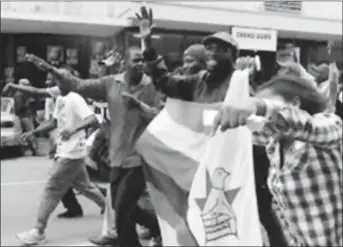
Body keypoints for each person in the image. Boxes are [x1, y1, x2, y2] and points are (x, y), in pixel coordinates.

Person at [26, 48, 162, 247]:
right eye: (136, 60)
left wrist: (139, 106)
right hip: (116, 157)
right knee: (120, 205)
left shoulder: (150, 86)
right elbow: (79, 84)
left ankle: (129, 242)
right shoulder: (110, 83)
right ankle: (158, 227)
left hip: (139, 157)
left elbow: (158, 115)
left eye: (142, 60)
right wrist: (52, 70)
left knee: (123, 205)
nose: (140, 64)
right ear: (125, 63)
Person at [212, 60, 342, 246]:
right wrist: (237, 80)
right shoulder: (273, 143)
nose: (262, 116)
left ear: (295, 103)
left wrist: (260, 106)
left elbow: (305, 126)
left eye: (268, 106)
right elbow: (243, 129)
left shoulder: (329, 125)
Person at [2, 68, 85, 219]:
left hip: (73, 142)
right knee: (80, 182)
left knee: (59, 180)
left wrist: (75, 131)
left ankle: (40, 226)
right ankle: (77, 206)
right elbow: (38, 93)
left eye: (55, 78)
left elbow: (90, 119)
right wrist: (34, 133)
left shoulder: (76, 94)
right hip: (62, 141)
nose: (51, 81)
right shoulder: (60, 93)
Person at [137, 7, 238, 104]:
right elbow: (164, 82)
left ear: (233, 56)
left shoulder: (240, 82)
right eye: (209, 48)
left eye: (220, 49)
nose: (213, 53)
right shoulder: (198, 81)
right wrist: (147, 42)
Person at [13, 78, 37, 155]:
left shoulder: (22, 94)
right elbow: (19, 107)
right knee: (30, 132)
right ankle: (34, 149)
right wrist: (28, 102)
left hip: (25, 115)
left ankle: (30, 149)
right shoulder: (19, 94)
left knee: (27, 132)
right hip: (24, 116)